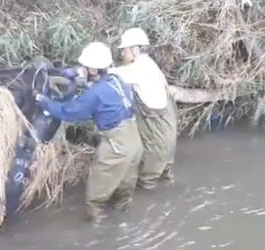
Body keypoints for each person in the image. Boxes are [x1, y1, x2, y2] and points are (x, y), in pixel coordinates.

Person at [35, 42, 143, 223]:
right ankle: (124, 219)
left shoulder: (95, 94)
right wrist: (81, 80)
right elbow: (103, 95)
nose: (81, 69)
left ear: (93, 69)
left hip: (117, 145)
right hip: (134, 140)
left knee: (96, 193)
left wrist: (44, 101)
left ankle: (98, 229)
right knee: (124, 187)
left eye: (84, 67)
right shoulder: (115, 79)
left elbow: (69, 112)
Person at [109, 27, 178, 190]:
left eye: (124, 50)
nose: (122, 54)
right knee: (163, 175)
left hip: (157, 140)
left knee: (147, 182)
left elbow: (110, 75)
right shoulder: (149, 64)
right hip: (168, 139)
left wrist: (83, 72)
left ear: (135, 49)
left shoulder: (139, 69)